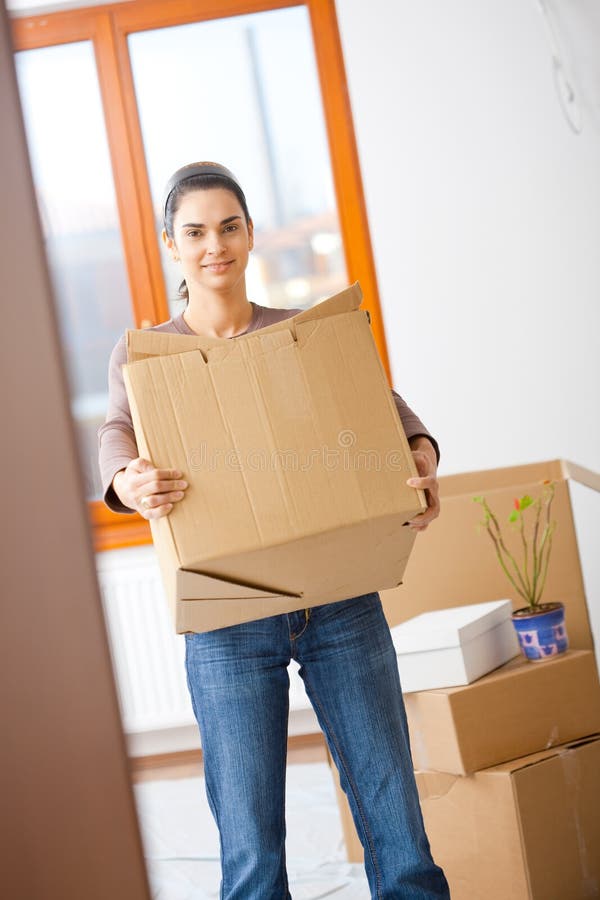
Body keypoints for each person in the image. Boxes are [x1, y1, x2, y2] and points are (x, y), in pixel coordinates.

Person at [98, 161, 450, 899]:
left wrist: (419, 453)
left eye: (229, 227)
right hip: (226, 616)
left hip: (339, 600)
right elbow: (117, 433)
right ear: (171, 244)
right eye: (194, 232)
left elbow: (384, 407)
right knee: (251, 847)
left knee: (396, 818)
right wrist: (127, 479)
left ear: (251, 234)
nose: (213, 246)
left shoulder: (302, 336)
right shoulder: (144, 356)